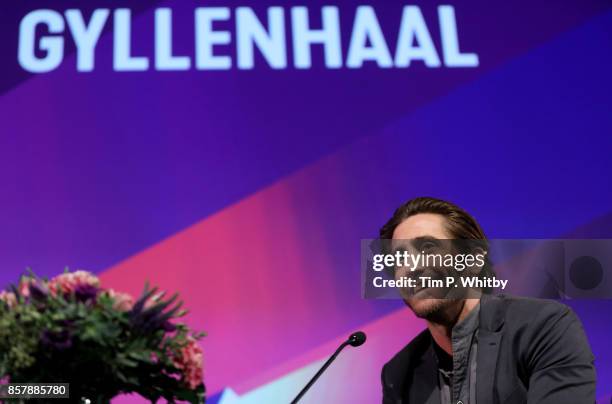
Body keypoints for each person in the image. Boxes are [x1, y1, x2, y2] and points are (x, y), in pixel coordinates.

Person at [380, 197, 596, 404]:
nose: (412, 268)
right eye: (399, 259)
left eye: (427, 248)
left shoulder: (543, 326)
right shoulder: (399, 374)